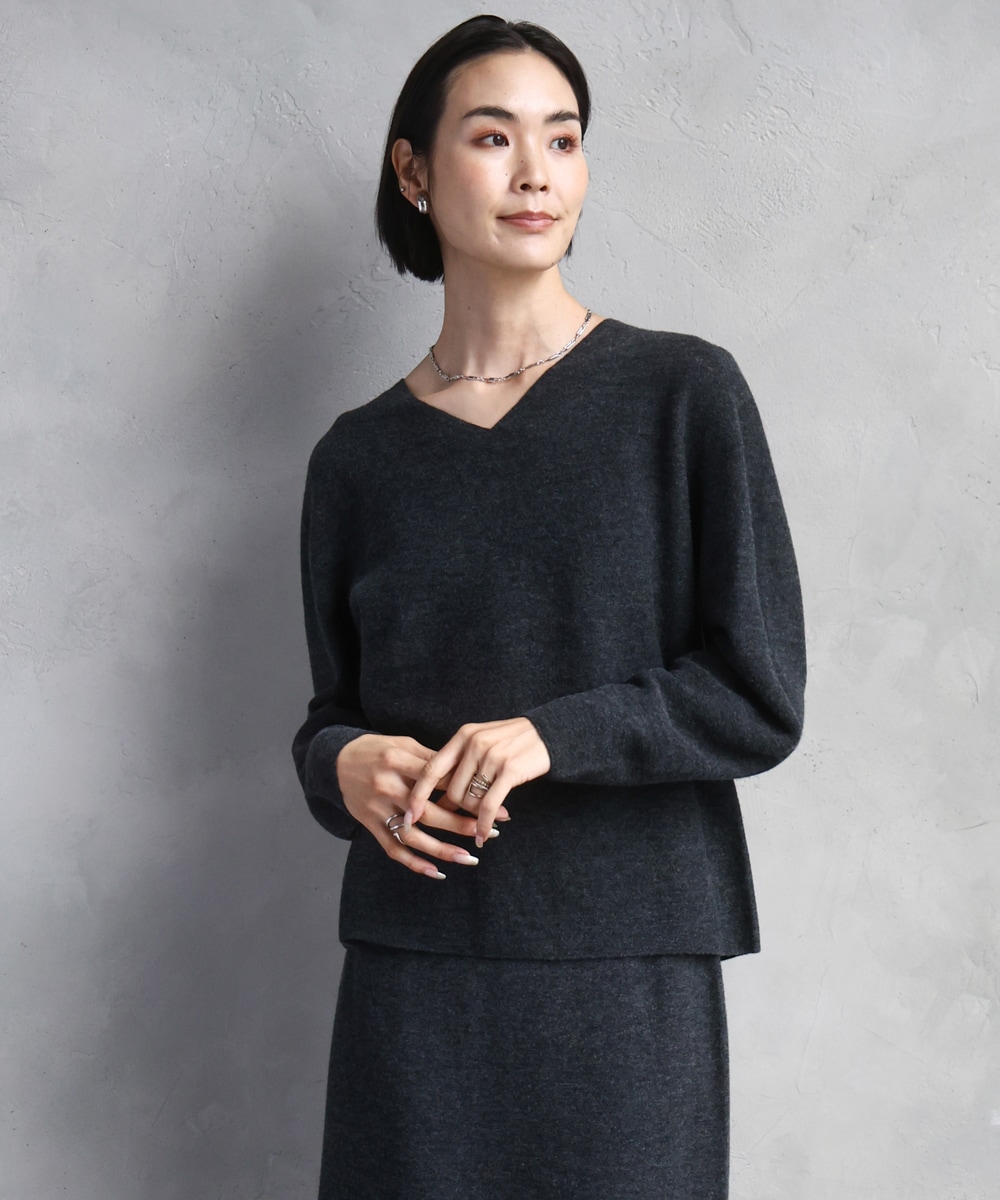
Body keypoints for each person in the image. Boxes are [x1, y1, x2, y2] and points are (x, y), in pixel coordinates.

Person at [292, 14, 805, 1200]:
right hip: (413, 972)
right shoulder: (357, 459)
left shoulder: (682, 394)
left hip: (624, 968)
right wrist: (341, 762)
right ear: (413, 170)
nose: (536, 173)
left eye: (562, 139)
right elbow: (331, 714)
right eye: (492, 137)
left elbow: (757, 692)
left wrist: (549, 735)